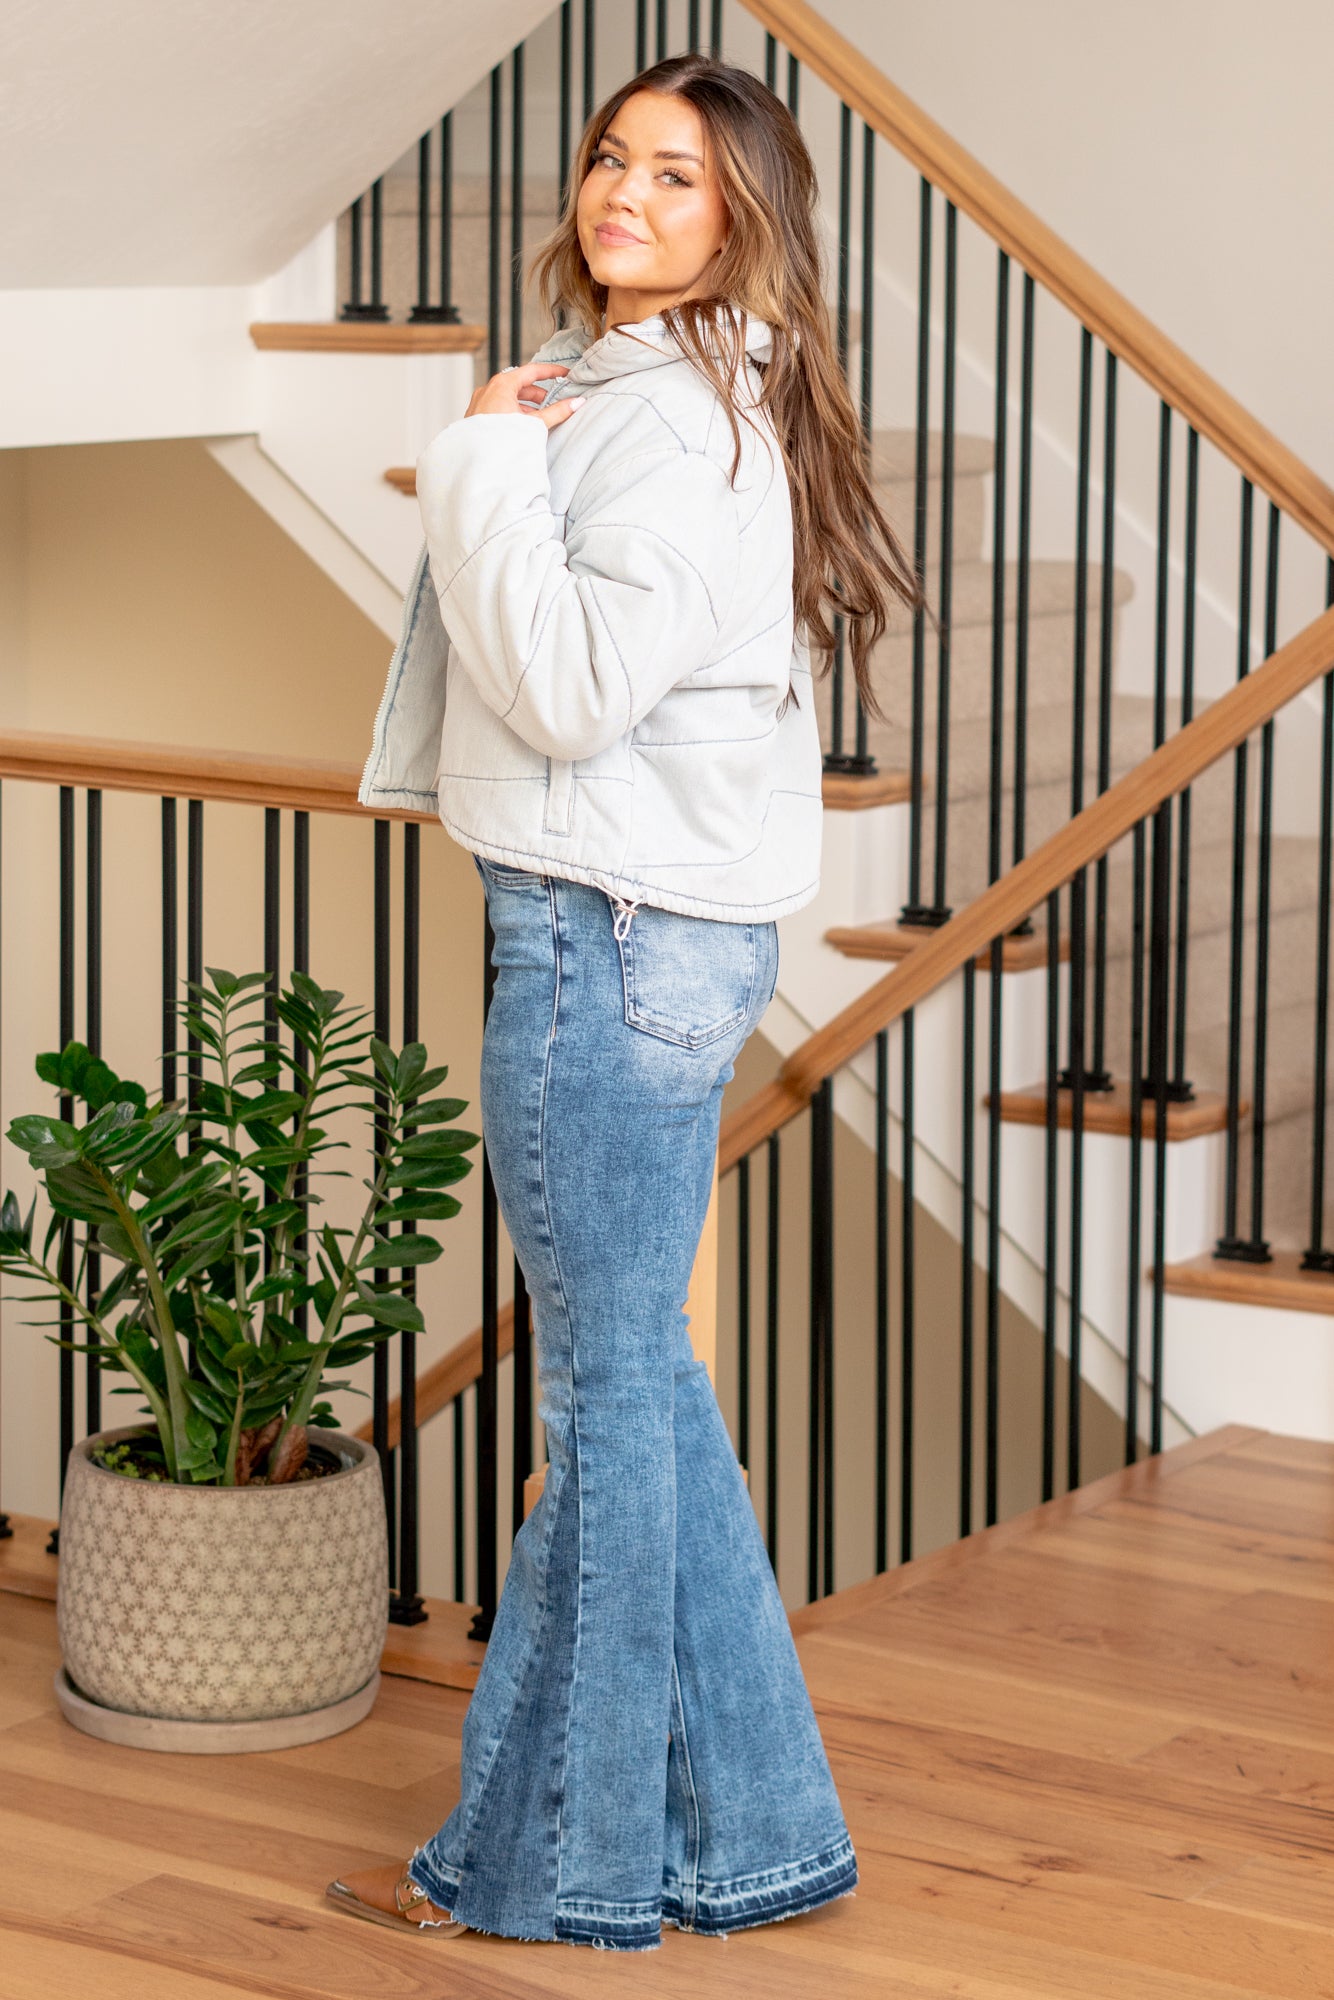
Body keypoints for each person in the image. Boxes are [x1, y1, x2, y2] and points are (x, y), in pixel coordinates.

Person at [329, 51, 920, 1953]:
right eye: (610, 159)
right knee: (638, 1383)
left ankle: (548, 1872)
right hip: (639, 925)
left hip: (604, 937)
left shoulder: (656, 421)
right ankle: (760, 1836)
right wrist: (521, 439)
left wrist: (479, 462)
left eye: (675, 176)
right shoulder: (663, 389)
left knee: (600, 1402)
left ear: (743, 217)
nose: (622, 195)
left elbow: (571, 689)